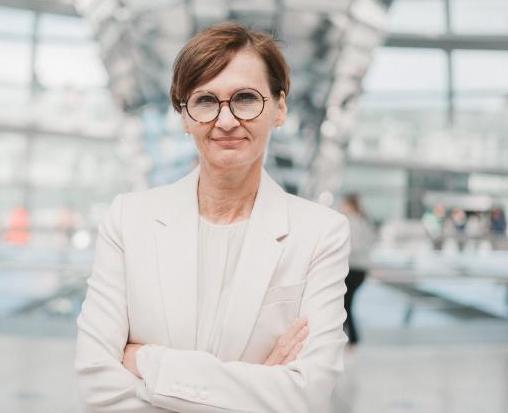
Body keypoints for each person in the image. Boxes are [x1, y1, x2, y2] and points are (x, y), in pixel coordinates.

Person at [75, 22, 350, 412]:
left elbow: (304, 394)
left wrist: (149, 362)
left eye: (245, 98)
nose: (225, 121)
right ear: (185, 116)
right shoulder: (129, 220)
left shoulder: (320, 233)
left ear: (279, 108)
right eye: (205, 101)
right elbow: (97, 386)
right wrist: (257, 386)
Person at [340, 194, 376, 346]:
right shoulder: (364, 221)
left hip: (353, 268)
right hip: (361, 269)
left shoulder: (351, 221)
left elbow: (353, 246)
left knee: (344, 305)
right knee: (346, 304)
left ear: (350, 205)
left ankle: (350, 339)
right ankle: (348, 338)